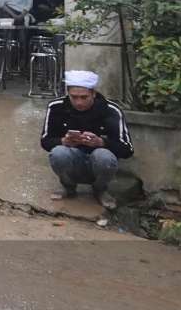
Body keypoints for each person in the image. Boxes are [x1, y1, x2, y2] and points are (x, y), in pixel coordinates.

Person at [40, 70, 133, 210]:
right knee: (59, 153)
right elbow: (45, 141)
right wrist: (64, 141)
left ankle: (100, 189)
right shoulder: (56, 107)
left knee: (104, 156)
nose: (79, 102)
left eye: (84, 97)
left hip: (98, 162)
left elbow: (127, 149)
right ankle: (68, 187)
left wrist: (102, 143)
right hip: (72, 158)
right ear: (67, 93)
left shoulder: (111, 110)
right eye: (74, 97)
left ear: (94, 94)